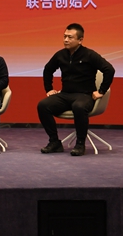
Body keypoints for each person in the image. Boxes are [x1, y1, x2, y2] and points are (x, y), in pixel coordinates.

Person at [37, 23, 115, 156]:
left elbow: (109, 70)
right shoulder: (60, 55)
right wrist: (49, 89)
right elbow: (48, 69)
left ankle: (80, 144)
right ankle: (54, 142)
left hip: (84, 95)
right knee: (43, 106)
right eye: (64, 36)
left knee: (78, 106)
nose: (66, 40)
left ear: (80, 40)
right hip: (65, 94)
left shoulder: (89, 55)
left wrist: (101, 91)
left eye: (70, 37)